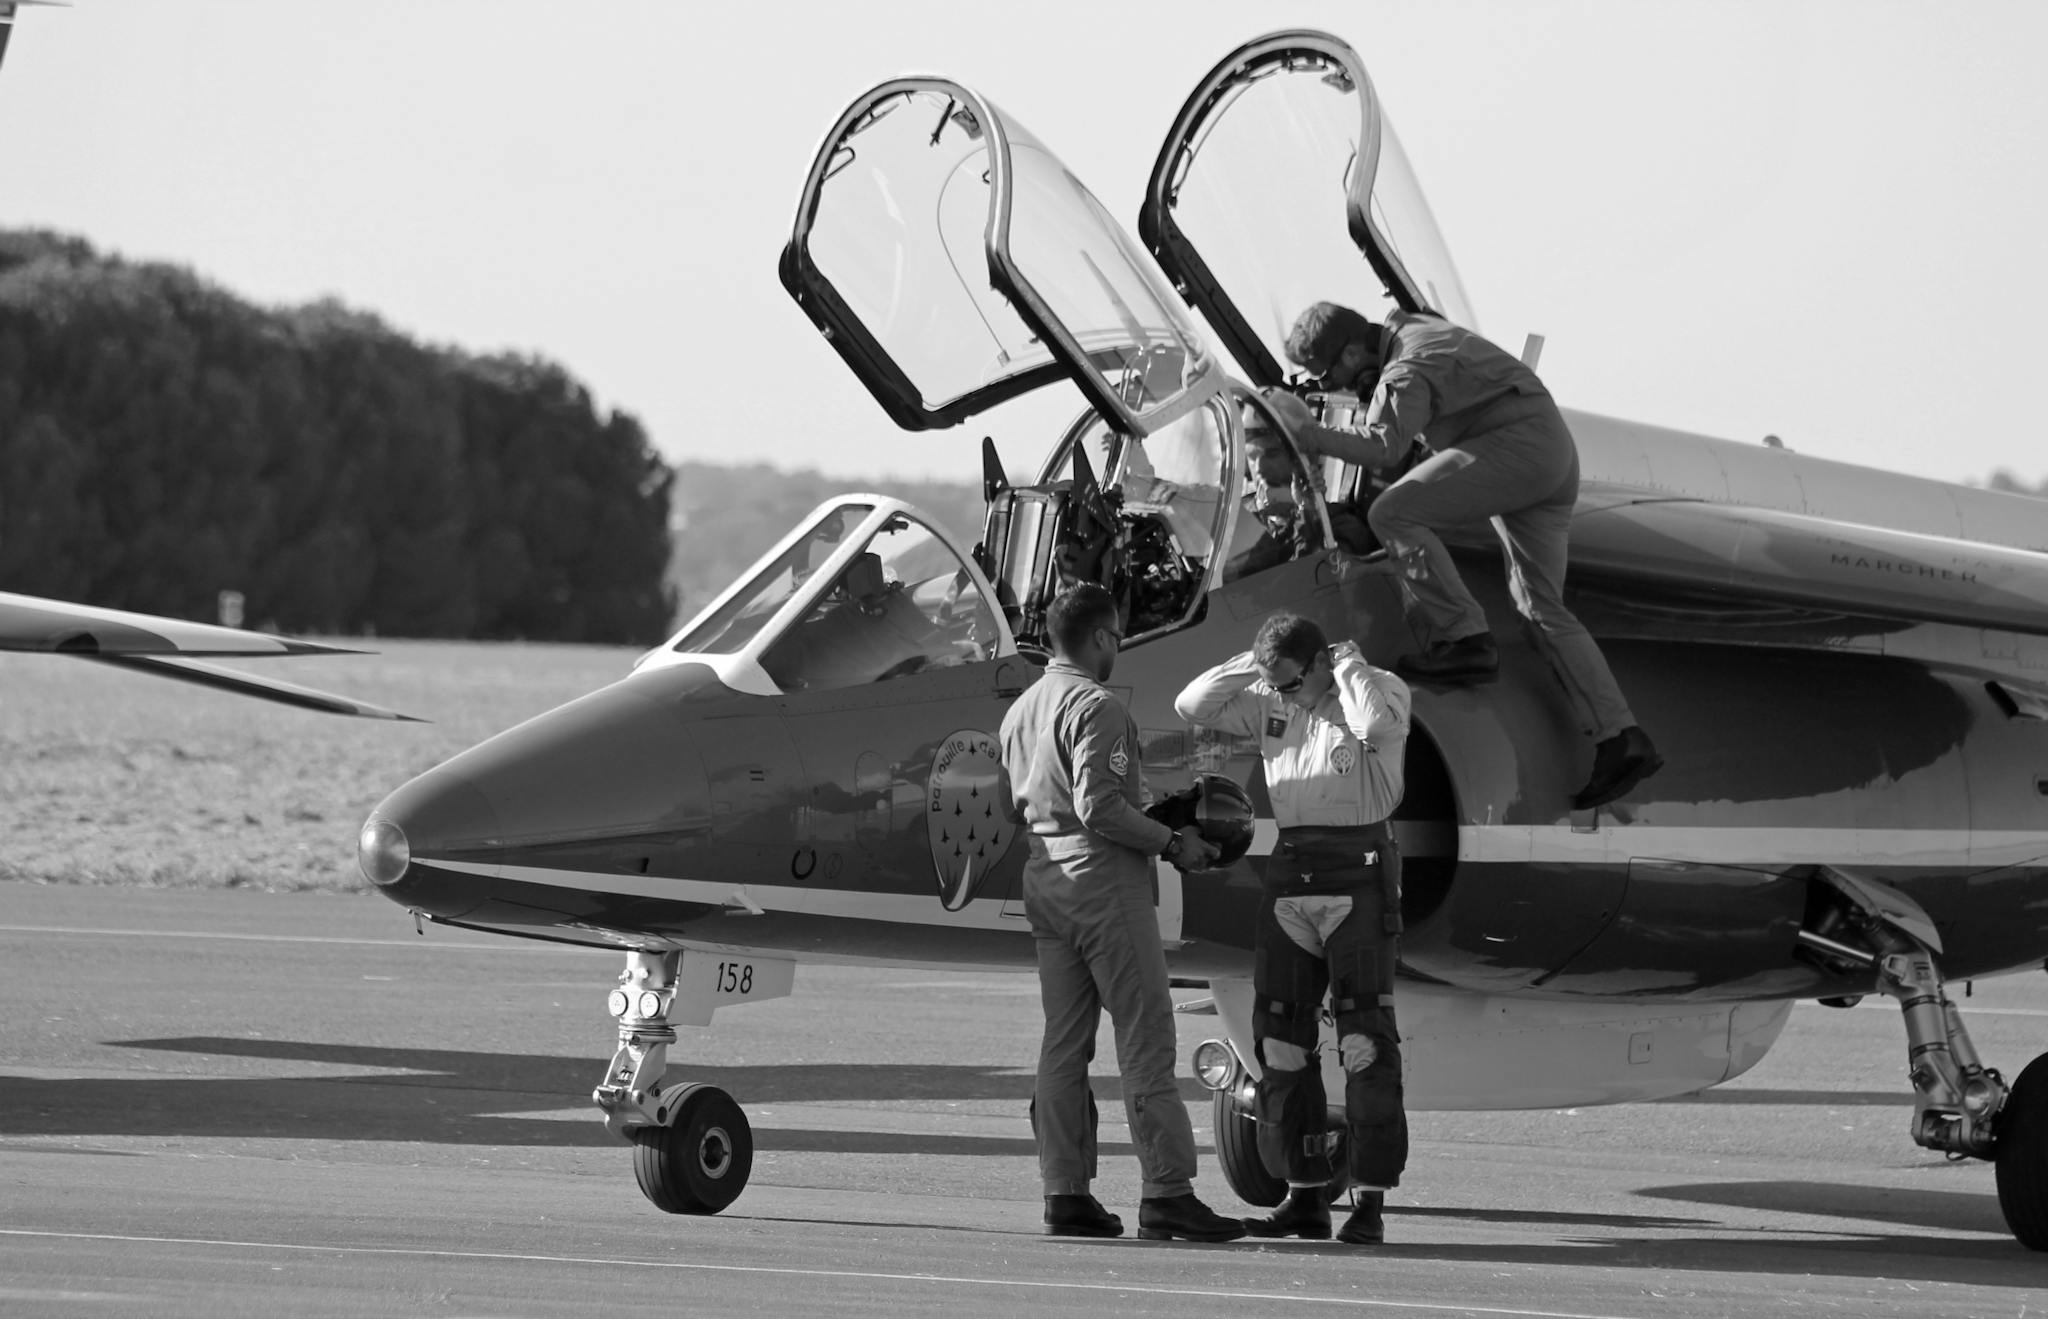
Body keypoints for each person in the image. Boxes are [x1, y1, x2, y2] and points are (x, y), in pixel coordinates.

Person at [1264, 301, 1661, 810]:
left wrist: (1309, 435)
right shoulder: (1413, 331)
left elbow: (1386, 447)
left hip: (1516, 449)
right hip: (1550, 452)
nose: (1339, 388)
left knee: (1392, 514)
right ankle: (1622, 738)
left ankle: (1464, 639)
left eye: (1332, 373)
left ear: (1355, 350)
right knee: (1540, 609)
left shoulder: (1405, 368)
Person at [998, 583, 1248, 1243]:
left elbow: (1015, 805)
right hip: (1104, 885)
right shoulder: (1097, 705)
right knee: (1145, 1037)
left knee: (1063, 1043)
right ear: (1104, 636)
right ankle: (1168, 1192)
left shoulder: (1020, 710)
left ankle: (1066, 1190)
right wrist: (1172, 841)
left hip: (1046, 883)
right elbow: (1100, 807)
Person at [1174, 612, 1411, 1244]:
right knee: (1278, 1039)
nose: (1279, 695)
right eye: (1271, 683)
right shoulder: (1269, 697)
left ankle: (1369, 1202)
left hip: (1357, 874)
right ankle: (1305, 1196)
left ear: (1320, 665)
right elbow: (1192, 703)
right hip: (1292, 875)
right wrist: (1256, 667)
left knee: (1364, 1041)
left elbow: (1375, 727)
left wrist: (1348, 667)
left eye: (1289, 682)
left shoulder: (1376, 689)